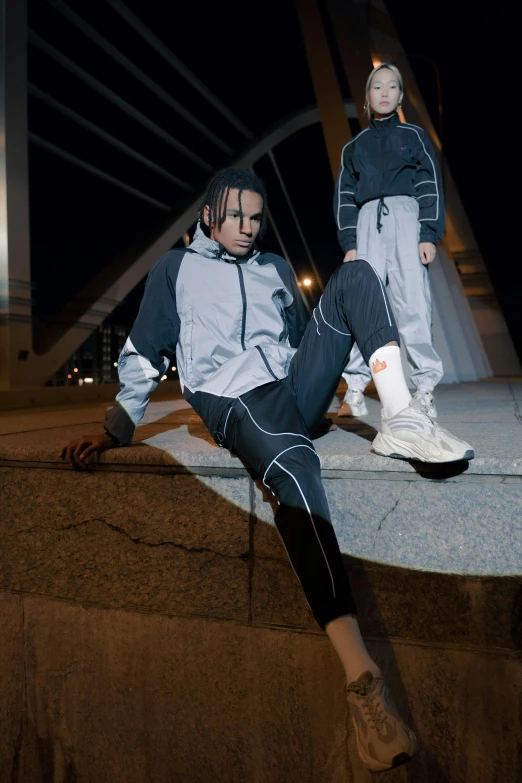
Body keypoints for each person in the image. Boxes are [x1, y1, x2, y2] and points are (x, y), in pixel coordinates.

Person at [61, 169, 473, 773]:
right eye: (236, 217)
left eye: (256, 218)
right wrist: (117, 426)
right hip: (233, 399)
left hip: (288, 389)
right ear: (209, 215)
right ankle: (363, 682)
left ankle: (404, 415)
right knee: (293, 464)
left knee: (356, 274)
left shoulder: (276, 267)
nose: (248, 229)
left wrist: (330, 387)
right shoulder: (175, 272)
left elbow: (306, 339)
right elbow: (145, 349)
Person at [334, 63, 444, 419]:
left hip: (406, 218)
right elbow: (344, 197)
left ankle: (424, 389)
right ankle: (354, 387)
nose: (384, 92)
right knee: (364, 304)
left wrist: (428, 233)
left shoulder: (413, 136)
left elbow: (430, 185)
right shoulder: (354, 147)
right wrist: (349, 242)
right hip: (367, 222)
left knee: (413, 302)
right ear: (366, 98)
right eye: (376, 87)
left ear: (399, 96)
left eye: (391, 87)